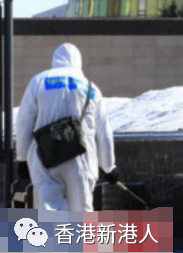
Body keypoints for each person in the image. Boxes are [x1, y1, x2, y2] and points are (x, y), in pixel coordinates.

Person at [16, 43, 117, 212]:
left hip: (46, 154)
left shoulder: (39, 82)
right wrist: (109, 166)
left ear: (55, 60)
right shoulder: (91, 89)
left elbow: (24, 121)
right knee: (82, 211)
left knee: (49, 207)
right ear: (79, 62)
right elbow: (103, 131)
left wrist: (22, 157)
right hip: (81, 158)